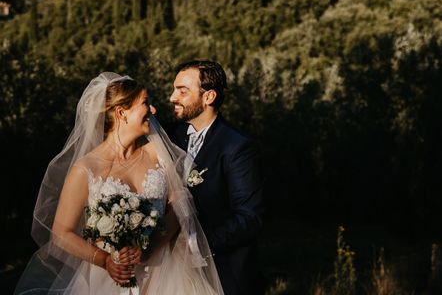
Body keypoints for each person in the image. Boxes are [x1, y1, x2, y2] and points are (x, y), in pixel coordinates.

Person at [15, 72, 224, 294]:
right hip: (107, 278)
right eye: (145, 103)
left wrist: (149, 247)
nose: (153, 111)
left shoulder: (157, 153)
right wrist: (106, 260)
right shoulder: (86, 168)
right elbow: (61, 233)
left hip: (166, 273)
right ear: (121, 112)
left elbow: (179, 204)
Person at [170, 60, 265, 295]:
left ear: (208, 97)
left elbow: (249, 218)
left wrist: (196, 243)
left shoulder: (237, 146)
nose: (173, 97)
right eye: (174, 89)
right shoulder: (173, 136)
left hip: (223, 274)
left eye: (182, 91)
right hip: (173, 272)